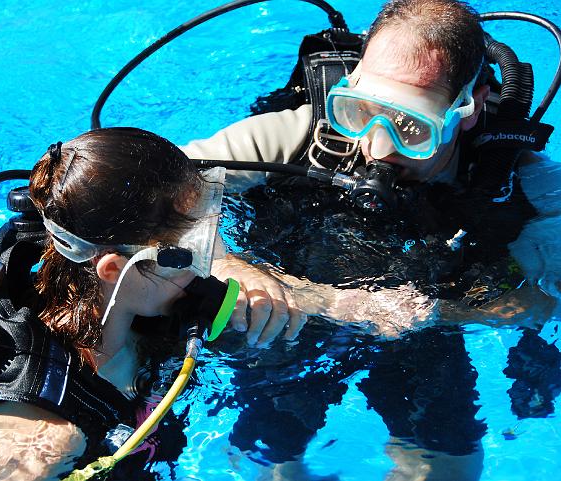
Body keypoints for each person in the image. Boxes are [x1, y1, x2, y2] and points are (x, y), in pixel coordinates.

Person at [181, 0, 557, 479]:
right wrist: (230, 264)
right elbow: (153, 194)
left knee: (451, 469)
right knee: (268, 456)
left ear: (470, 106)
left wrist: (436, 313)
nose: (376, 146)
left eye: (411, 127)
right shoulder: (296, 136)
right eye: (361, 112)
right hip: (289, 324)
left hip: (422, 332)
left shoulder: (525, 187)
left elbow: (538, 303)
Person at [0, 127, 243, 481]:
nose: (209, 264)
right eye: (188, 253)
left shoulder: (139, 304)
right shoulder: (45, 444)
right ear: (114, 269)